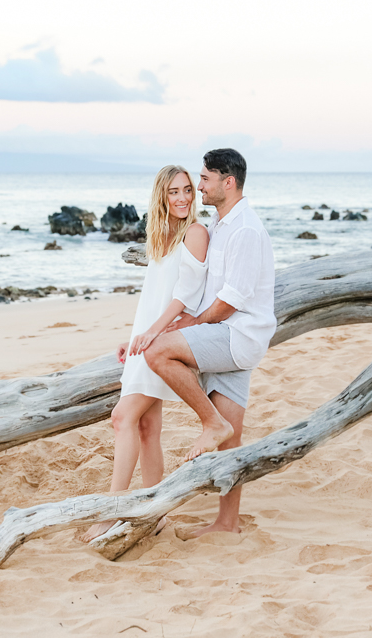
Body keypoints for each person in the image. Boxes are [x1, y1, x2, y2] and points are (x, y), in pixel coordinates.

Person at [144, 148, 275, 537]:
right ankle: (226, 522)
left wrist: (195, 323)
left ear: (227, 182)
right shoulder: (221, 224)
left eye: (204, 179)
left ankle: (208, 421)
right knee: (231, 441)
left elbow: (230, 300)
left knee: (158, 352)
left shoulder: (246, 230)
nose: (199, 186)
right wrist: (188, 317)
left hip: (236, 336)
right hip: (231, 337)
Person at [79, 164, 209, 543]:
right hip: (145, 339)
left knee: (123, 418)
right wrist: (133, 335)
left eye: (188, 189)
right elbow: (154, 296)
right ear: (161, 197)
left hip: (163, 341)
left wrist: (153, 333)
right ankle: (157, 514)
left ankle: (111, 512)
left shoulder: (196, 233)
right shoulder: (161, 234)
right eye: (174, 192)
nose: (184, 197)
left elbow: (185, 295)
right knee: (148, 428)